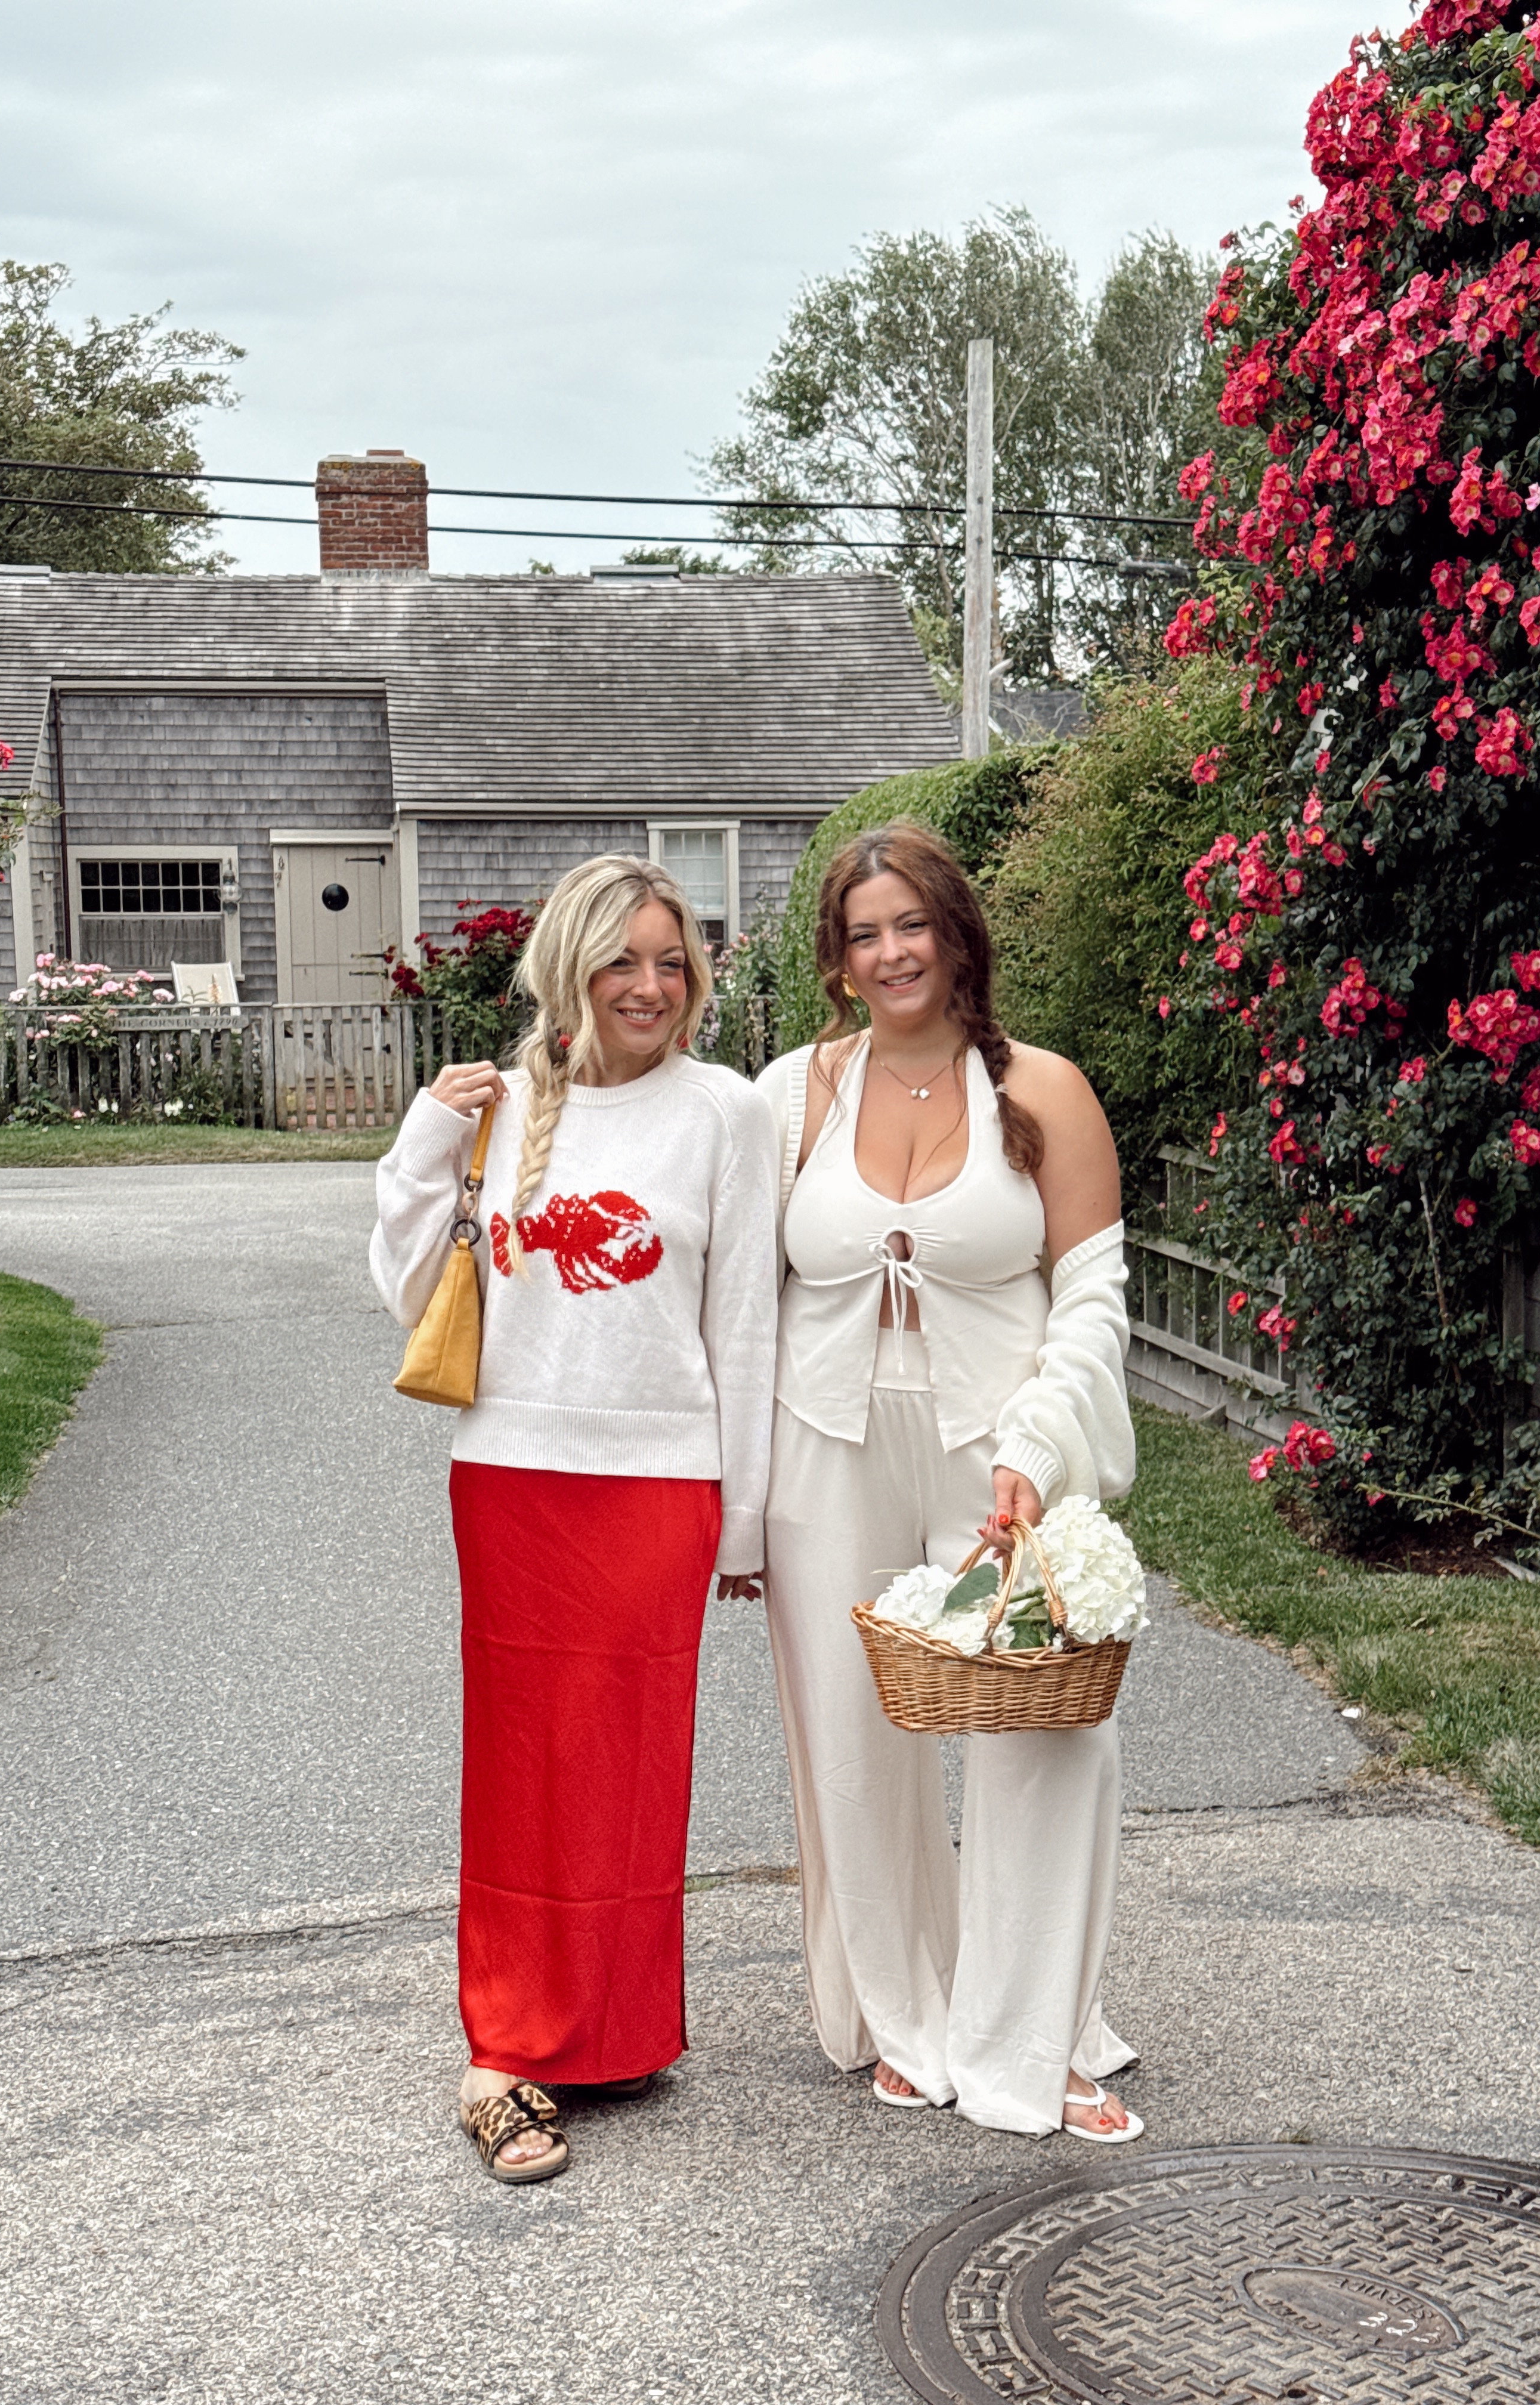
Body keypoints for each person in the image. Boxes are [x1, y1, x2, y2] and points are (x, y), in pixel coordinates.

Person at [371, 855, 777, 2183]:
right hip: (515, 1481)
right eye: (623, 960)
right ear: (570, 967)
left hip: (661, 1487)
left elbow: (747, 1328)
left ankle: (612, 2030)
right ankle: (505, 2052)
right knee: (523, 1764)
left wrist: (749, 1516)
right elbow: (404, 1284)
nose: (651, 985)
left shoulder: (724, 1113)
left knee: (637, 1765)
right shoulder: (505, 1098)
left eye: (671, 959)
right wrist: (429, 1134)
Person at [755, 820, 1140, 2143]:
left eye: (909, 923)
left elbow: (1092, 1297)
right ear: (838, 959)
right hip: (825, 1442)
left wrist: (1036, 1445)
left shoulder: (1044, 1089)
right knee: (852, 1743)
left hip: (1000, 1448)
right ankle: (904, 2014)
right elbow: (740, 1300)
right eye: (863, 933)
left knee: (1040, 1730)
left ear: (957, 932)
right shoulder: (790, 1093)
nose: (889, 952)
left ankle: (1032, 2031)